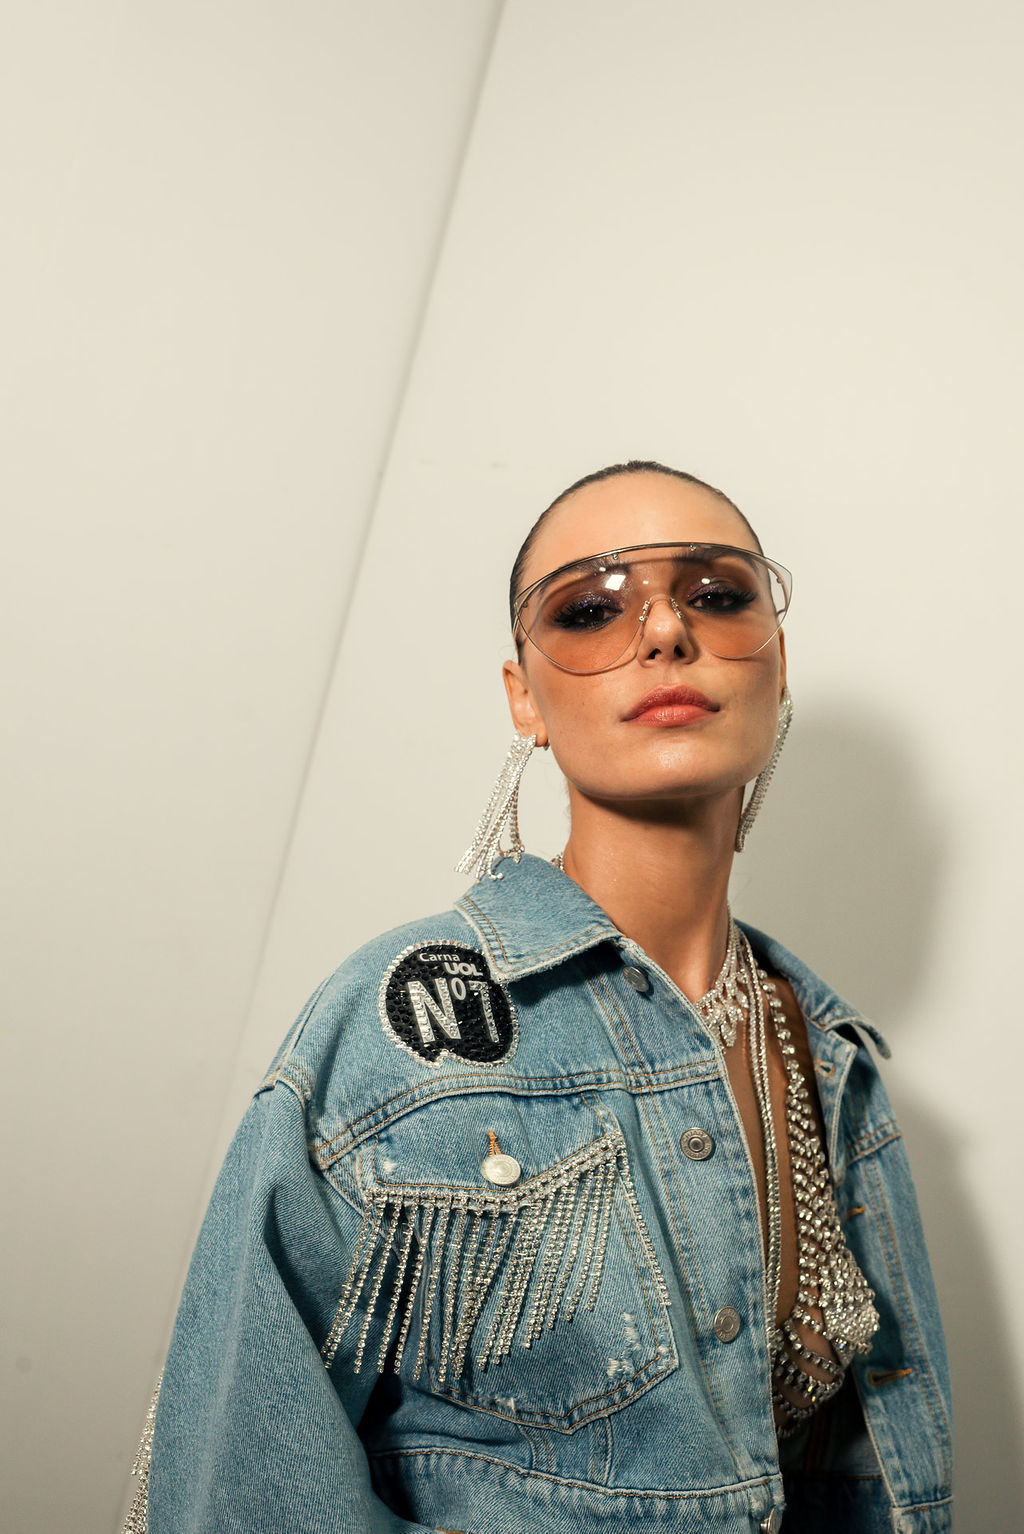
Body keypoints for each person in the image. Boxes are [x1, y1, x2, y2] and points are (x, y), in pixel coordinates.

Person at [127, 462, 952, 1533]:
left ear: (777, 662)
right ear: (525, 697)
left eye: (715, 594)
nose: (666, 632)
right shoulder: (398, 1033)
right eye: (590, 609)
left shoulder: (828, 1061)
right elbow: (235, 1487)